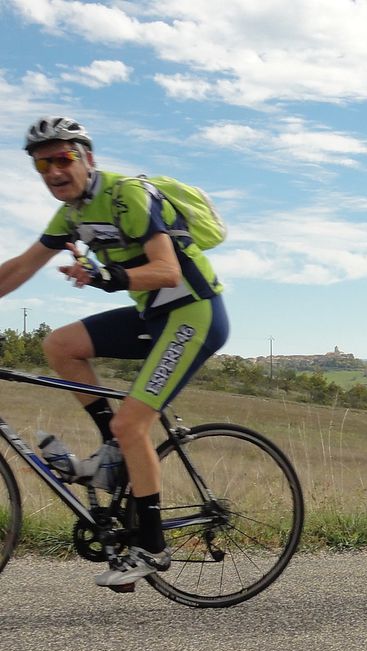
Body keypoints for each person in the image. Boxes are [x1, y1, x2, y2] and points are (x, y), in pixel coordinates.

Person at [0, 116, 229, 588]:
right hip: (152, 318)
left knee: (133, 424)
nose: (54, 171)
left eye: (63, 158)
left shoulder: (127, 195)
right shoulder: (71, 216)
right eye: (43, 164)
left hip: (194, 315)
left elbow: (166, 271)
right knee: (60, 345)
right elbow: (20, 267)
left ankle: (152, 547)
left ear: (88, 158)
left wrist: (107, 278)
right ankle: (111, 451)